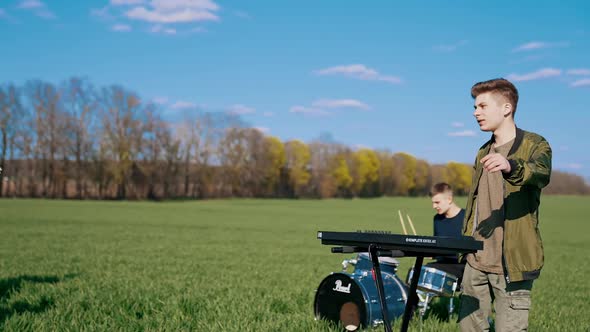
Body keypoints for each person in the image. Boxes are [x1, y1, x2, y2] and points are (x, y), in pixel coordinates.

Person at [458, 78, 552, 331]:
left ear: (506, 108)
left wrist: (511, 166)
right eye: (475, 107)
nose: (475, 112)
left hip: (511, 263)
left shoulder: (535, 144)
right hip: (475, 260)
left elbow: (541, 173)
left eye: (482, 106)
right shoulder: (482, 151)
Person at [426, 182, 466, 280]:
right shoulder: (437, 219)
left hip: (463, 267)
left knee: (426, 271)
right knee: (416, 271)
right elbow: (437, 245)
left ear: (449, 199)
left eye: (437, 202)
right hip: (441, 264)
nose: (434, 206)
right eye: (433, 203)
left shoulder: (466, 218)